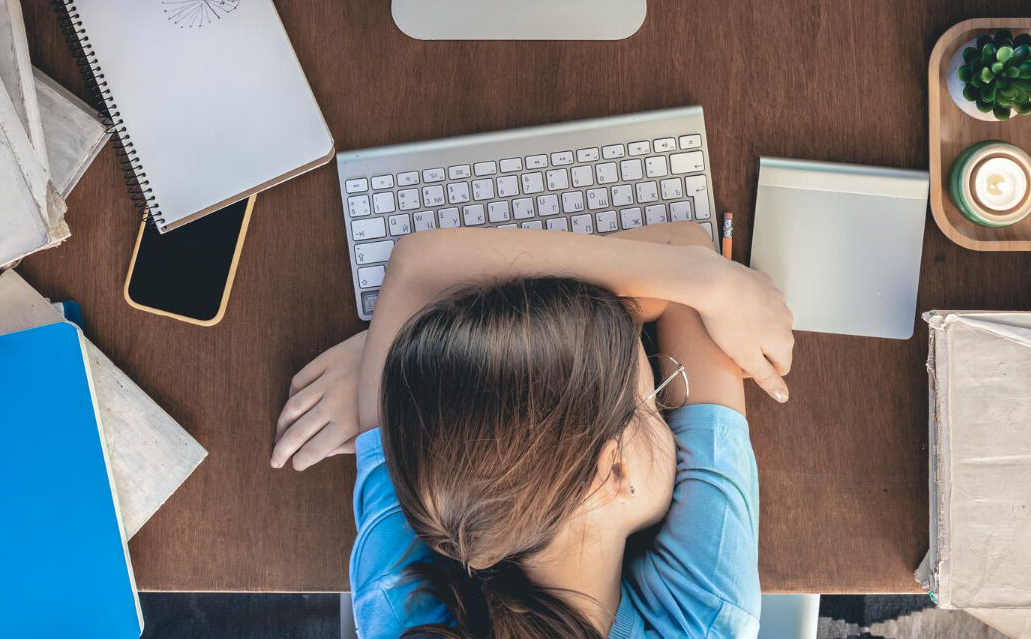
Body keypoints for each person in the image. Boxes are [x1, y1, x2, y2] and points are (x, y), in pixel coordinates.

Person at [272, 222, 795, 638]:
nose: (664, 403)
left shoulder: (400, 607)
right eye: (657, 400)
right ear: (613, 468)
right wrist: (430, 361)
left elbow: (415, 269)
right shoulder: (706, 617)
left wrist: (450, 347)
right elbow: (682, 253)